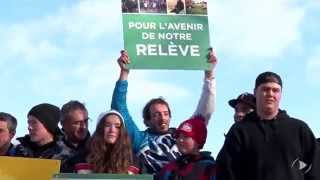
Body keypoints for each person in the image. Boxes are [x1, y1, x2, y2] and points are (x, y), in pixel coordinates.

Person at [111, 49, 217, 173]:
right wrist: (124, 73)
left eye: (166, 114)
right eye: (156, 115)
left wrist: (209, 75)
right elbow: (119, 110)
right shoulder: (140, 139)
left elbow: (204, 111)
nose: (163, 118)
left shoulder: (182, 135)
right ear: (147, 121)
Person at [216, 71, 320, 180]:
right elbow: (226, 171)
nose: (270, 93)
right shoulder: (239, 131)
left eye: (275, 90)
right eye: (265, 89)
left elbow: (314, 169)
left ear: (280, 94)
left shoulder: (299, 129)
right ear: (255, 92)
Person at [61, 110, 142, 174]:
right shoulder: (79, 160)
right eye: (107, 125)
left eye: (117, 126)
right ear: (99, 129)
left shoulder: (134, 162)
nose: (112, 130)